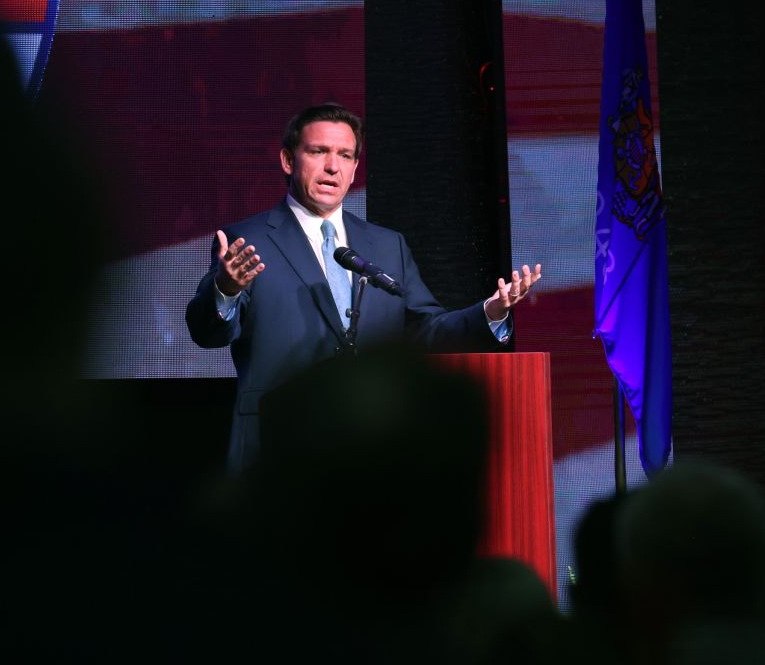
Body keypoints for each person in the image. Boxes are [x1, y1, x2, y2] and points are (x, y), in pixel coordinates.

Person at [185, 102, 541, 471]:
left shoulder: (386, 245)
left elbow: (424, 330)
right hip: (278, 447)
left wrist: (491, 312)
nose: (332, 167)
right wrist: (225, 288)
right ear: (288, 161)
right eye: (318, 151)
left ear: (355, 168)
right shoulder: (248, 240)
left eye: (345, 155)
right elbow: (207, 333)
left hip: (370, 451)